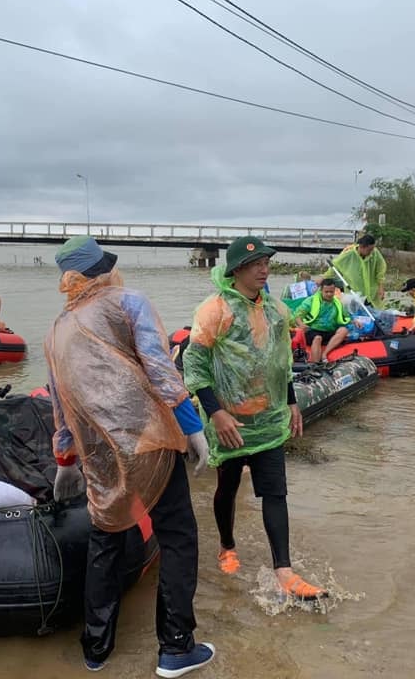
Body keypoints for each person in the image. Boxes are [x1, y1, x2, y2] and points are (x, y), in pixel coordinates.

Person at [44, 236, 215, 676]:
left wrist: (66, 461)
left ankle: (96, 649)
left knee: (105, 542)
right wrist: (194, 428)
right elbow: (159, 369)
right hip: (149, 442)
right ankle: (176, 647)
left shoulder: (56, 330)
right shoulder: (129, 302)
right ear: (102, 270)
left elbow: (60, 406)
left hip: (100, 456)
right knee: (177, 536)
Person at [182, 235, 327, 600]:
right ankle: (227, 545)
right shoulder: (214, 311)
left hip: (268, 418)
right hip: (229, 421)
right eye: (255, 264)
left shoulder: (276, 311)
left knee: (275, 492)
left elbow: (281, 364)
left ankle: (285, 572)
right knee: (227, 488)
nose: (264, 269)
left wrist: (291, 403)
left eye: (266, 262)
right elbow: (195, 366)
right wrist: (215, 412)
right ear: (236, 270)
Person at [294, 277, 351, 363]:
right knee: (318, 338)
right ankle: (315, 364)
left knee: (344, 330)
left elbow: (346, 316)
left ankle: (325, 354)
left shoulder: (337, 303)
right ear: (321, 290)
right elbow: (297, 315)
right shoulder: (311, 301)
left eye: (331, 292)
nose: (329, 294)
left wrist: (354, 321)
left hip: (329, 331)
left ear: (334, 290)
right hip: (313, 330)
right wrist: (301, 324)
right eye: (326, 292)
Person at [325, 234, 387, 308]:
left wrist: (381, 287)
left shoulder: (375, 253)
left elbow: (381, 268)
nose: (371, 252)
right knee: (356, 313)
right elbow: (335, 266)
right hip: (354, 292)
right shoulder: (349, 254)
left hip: (372, 292)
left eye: (372, 249)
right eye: (369, 250)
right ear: (362, 247)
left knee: (376, 313)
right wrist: (325, 277)